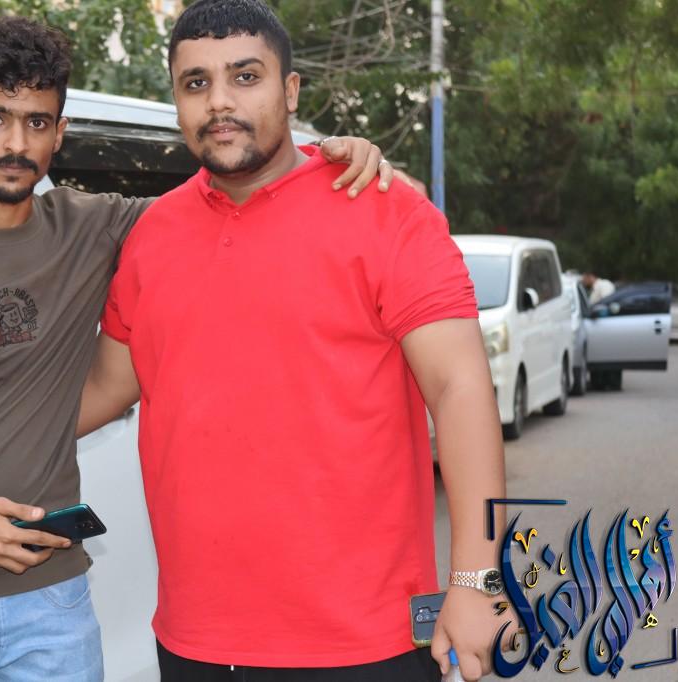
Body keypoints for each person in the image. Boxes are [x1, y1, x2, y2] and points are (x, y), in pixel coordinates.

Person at [0, 15, 393, 682]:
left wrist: (330, 156)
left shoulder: (92, 230)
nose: (16, 143)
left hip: (49, 600)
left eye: (37, 122)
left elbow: (235, 195)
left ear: (59, 132)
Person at [77, 1, 512, 680]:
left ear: (291, 90)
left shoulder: (385, 209)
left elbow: (461, 390)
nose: (220, 101)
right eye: (196, 83)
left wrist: (478, 580)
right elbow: (105, 387)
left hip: (366, 644)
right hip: (195, 642)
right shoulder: (153, 236)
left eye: (245, 76)